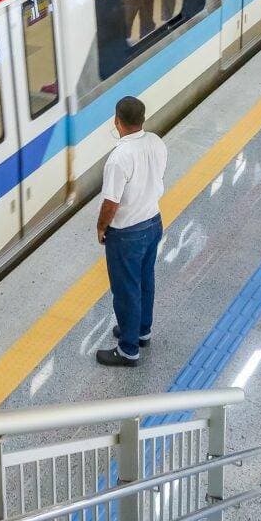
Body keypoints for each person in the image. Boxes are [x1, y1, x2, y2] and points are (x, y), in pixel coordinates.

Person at [95, 96, 168, 366]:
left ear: (117, 121)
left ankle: (128, 349)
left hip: (127, 232)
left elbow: (111, 202)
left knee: (126, 290)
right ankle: (141, 331)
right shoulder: (156, 142)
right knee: (145, 281)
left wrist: (102, 227)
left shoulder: (119, 158)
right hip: (153, 222)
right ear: (142, 119)